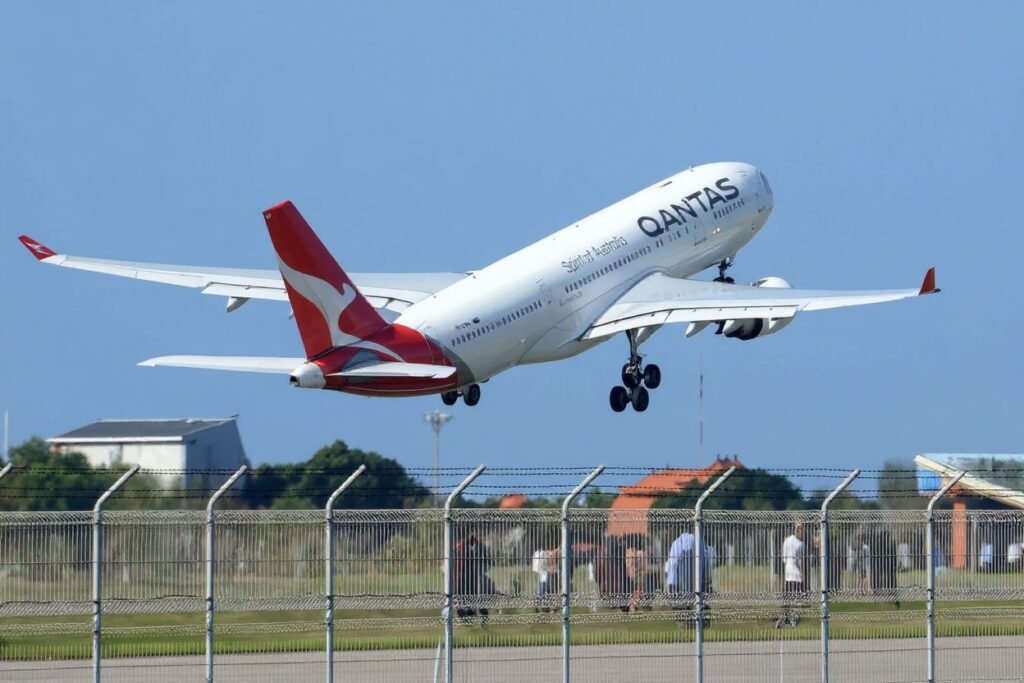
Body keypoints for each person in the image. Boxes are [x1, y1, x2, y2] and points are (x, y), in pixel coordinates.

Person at [777, 524, 807, 628]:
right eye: (803, 531)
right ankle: (792, 619)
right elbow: (800, 562)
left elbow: (784, 558)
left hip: (788, 571)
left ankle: (784, 616)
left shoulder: (787, 540)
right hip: (796, 573)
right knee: (797, 598)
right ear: (799, 531)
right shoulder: (801, 544)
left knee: (787, 596)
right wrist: (802, 575)